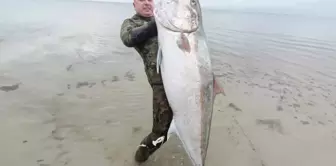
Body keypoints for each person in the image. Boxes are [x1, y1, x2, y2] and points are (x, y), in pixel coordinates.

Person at [119, 0, 173, 163]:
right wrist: (156, 24)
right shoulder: (132, 23)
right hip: (161, 86)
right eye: (142, 0)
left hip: (183, 81)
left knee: (188, 123)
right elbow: (128, 38)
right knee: (161, 132)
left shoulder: (166, 19)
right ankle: (140, 157)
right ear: (134, 4)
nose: (147, 3)